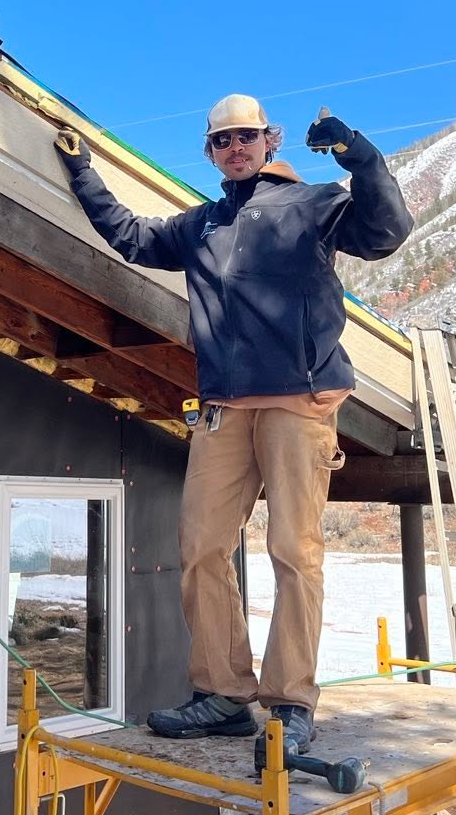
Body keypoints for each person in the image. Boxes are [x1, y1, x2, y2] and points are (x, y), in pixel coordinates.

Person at [54, 94, 412, 759]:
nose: (235, 147)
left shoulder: (316, 204)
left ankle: (290, 703)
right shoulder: (202, 225)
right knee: (201, 546)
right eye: (222, 141)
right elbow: (132, 236)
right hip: (224, 404)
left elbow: (388, 231)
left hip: (298, 400)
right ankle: (223, 694)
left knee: (292, 550)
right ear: (210, 152)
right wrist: (83, 173)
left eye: (246, 136)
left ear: (269, 142)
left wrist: (354, 150)